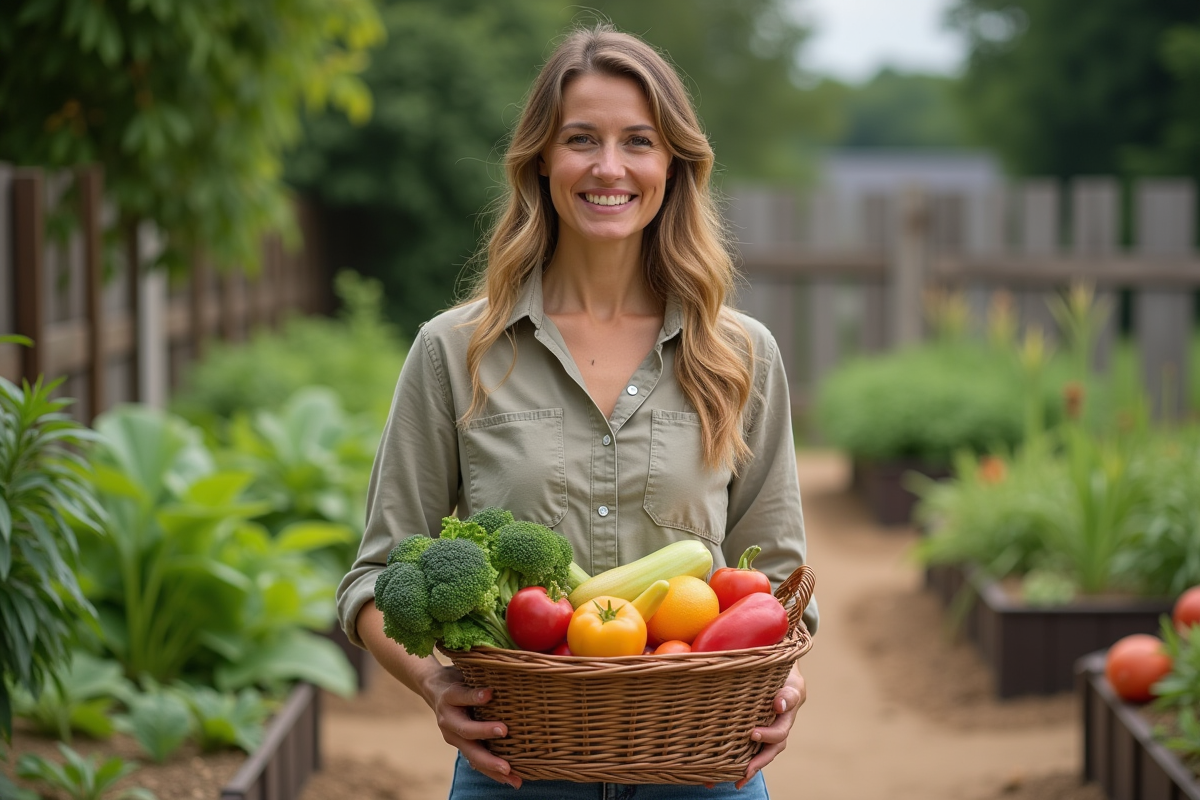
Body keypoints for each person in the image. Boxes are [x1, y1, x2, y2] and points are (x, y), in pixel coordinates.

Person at [336, 22, 818, 798]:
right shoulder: (454, 351)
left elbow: (785, 580)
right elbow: (373, 578)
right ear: (541, 162)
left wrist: (787, 684)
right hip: (516, 772)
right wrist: (432, 685)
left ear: (673, 165)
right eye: (581, 139)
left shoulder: (739, 354)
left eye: (637, 141)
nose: (609, 167)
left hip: (704, 767)